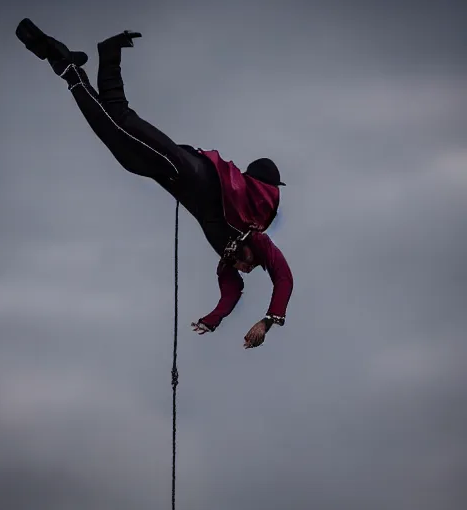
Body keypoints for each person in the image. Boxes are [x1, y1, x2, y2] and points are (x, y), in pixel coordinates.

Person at [15, 18, 293, 349]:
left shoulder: (228, 256)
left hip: (173, 173)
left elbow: (232, 292)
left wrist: (212, 320)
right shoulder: (254, 237)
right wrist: (268, 321)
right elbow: (284, 279)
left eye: (245, 269)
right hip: (186, 169)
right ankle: (66, 64)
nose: (244, 269)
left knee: (120, 128)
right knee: (116, 131)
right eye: (249, 265)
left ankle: (103, 55)